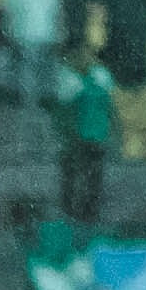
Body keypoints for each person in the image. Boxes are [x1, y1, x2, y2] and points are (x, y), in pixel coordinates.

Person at [55, 44, 115, 226]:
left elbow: (64, 112)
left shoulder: (74, 83)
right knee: (86, 175)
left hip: (84, 137)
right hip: (89, 137)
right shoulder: (99, 82)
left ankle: (78, 211)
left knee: (80, 175)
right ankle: (83, 211)